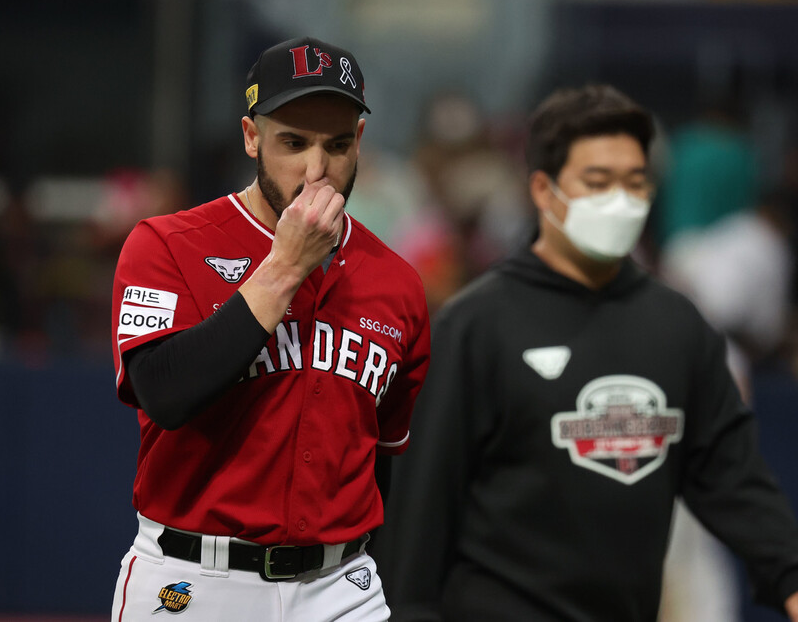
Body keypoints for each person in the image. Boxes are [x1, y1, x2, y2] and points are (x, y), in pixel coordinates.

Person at [372, 84, 798, 622]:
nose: (619, 200)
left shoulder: (676, 326)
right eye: (598, 182)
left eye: (635, 182)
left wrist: (789, 573)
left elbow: (732, 474)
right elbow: (420, 505)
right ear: (545, 191)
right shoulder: (476, 327)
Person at [109, 36, 430, 621]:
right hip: (193, 580)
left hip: (342, 585)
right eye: (293, 142)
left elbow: (382, 457)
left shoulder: (397, 283)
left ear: (359, 142)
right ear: (252, 137)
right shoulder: (166, 245)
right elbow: (164, 395)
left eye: (336, 145)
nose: (316, 169)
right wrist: (284, 267)